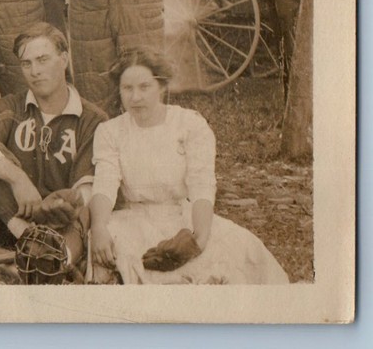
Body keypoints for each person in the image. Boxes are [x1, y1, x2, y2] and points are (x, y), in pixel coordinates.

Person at [88, 47, 288, 284]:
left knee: (232, 259)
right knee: (115, 255)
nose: (135, 97)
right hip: (134, 219)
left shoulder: (189, 125)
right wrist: (99, 227)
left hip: (185, 218)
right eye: (127, 88)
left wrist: (199, 240)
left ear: (161, 87)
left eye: (144, 87)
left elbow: (202, 185)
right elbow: (105, 184)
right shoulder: (110, 132)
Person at [0, 23, 106, 276]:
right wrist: (17, 178)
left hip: (62, 219)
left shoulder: (91, 118)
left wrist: (67, 202)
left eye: (43, 60)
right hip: (15, 217)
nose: (35, 71)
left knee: (85, 210)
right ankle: (27, 242)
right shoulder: (14, 106)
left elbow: (87, 189)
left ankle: (54, 260)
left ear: (64, 59)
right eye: (26, 63)